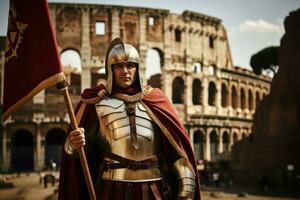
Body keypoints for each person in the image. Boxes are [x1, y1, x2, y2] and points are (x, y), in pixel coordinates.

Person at [58, 38, 201, 200]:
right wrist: (73, 144)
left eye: (130, 65)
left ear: (138, 68)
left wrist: (186, 191)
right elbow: (83, 155)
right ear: (110, 70)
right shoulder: (96, 104)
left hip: (154, 189)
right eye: (119, 66)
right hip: (111, 189)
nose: (125, 71)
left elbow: (177, 154)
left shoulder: (156, 99)